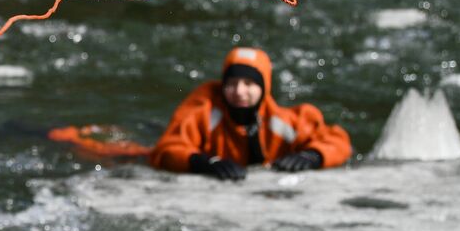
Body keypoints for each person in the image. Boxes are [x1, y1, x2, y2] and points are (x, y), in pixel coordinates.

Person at [150, 46, 352, 181]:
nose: (239, 92)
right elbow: (167, 150)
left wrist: (312, 156)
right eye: (232, 84)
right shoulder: (204, 111)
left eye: (248, 84)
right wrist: (204, 163)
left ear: (264, 87)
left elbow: (339, 142)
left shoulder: (283, 121)